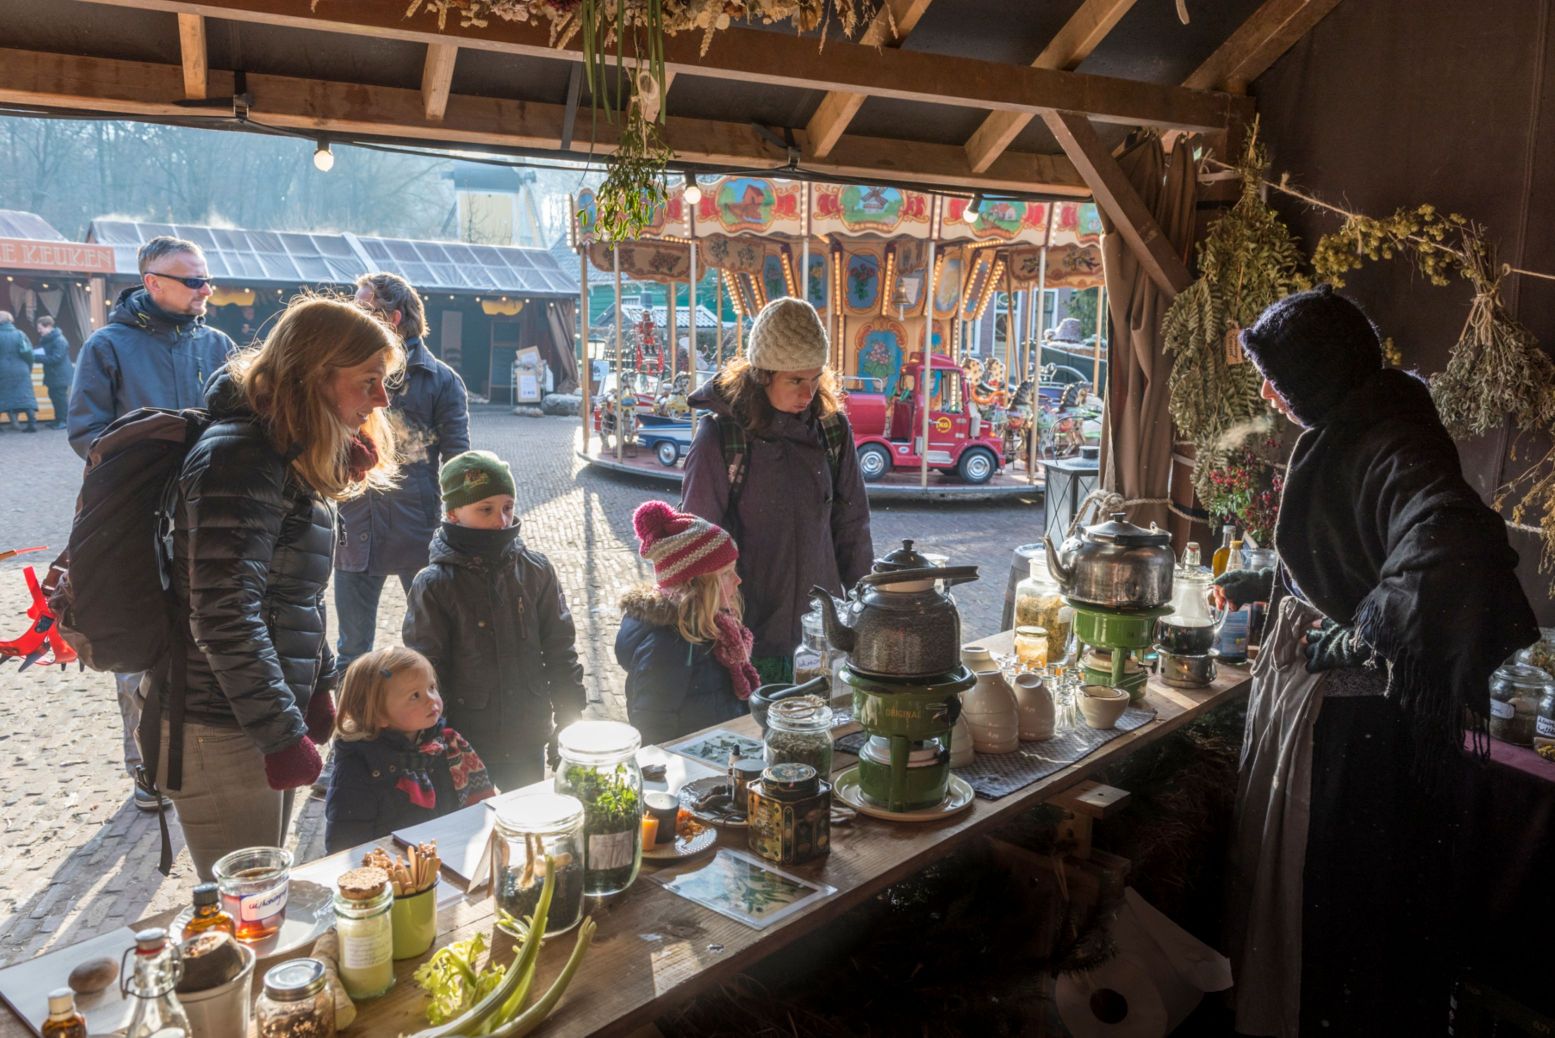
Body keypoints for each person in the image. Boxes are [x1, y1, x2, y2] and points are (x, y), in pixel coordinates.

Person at [1220, 285, 1538, 1037]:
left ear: (1321, 370)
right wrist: (1276, 585)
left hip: (1356, 728)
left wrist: (1366, 630)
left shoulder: (1392, 435)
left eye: (1280, 375)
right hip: (1318, 698)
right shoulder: (1357, 416)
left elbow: (1450, 535)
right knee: (1306, 887)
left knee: (1333, 891)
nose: (1269, 392)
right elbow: (1356, 541)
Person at [147, 294, 403, 879]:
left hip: (253, 719)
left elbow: (291, 596)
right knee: (251, 913)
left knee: (266, 895)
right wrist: (282, 731)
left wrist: (315, 685)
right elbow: (224, 615)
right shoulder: (242, 458)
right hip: (219, 727)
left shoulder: (286, 455)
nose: (381, 400)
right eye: (369, 381)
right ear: (317, 374)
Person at [67, 236, 235, 810]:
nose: (204, 290)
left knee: (210, 632)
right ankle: (145, 767)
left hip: (209, 516)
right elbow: (87, 432)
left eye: (206, 279)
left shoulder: (218, 344)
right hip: (135, 520)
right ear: (153, 282)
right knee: (136, 639)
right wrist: (143, 464)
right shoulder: (107, 347)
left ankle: (202, 754)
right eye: (193, 281)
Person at [681, 297, 873, 681]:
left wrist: (865, 611)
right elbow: (696, 548)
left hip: (822, 638)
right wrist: (719, 633)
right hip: (746, 638)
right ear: (763, 374)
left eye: (816, 377)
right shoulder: (721, 438)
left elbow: (852, 526)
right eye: (795, 380)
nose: (809, 392)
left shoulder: (832, 430)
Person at [403, 450, 586, 792]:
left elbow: (561, 652)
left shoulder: (537, 570)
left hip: (527, 734)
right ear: (454, 514)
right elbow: (426, 673)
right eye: (485, 509)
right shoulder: (433, 584)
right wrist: (434, 738)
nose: (501, 520)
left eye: (508, 507)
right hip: (464, 740)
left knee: (524, 826)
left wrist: (568, 723)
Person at [335, 273, 469, 672]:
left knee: (431, 642)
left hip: (418, 530)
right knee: (351, 651)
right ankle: (352, 730)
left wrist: (462, 528)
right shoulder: (342, 374)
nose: (351, 316)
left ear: (391, 318)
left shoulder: (441, 380)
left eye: (362, 309)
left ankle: (432, 724)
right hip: (355, 526)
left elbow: (458, 462)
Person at [324, 647, 495, 853]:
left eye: (431, 687)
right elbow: (345, 845)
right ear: (378, 714)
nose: (431, 699)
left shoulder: (446, 746)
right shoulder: (358, 767)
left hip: (445, 860)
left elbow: (478, 810)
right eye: (415, 695)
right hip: (391, 874)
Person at [616, 501, 760, 745]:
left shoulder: (716, 628)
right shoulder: (668, 645)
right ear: (696, 585)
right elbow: (652, 732)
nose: (738, 580)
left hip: (717, 759)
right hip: (692, 772)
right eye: (726, 573)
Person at [0, 312, 35, 432]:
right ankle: (32, 424)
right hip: (21, 369)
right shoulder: (20, 334)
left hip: (2, 371)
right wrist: (29, 366)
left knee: (1, 397)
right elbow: (28, 353)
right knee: (25, 396)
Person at [35, 315, 72, 430]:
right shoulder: (50, 340)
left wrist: (35, 357)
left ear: (48, 326)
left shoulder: (59, 340)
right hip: (54, 375)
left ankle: (64, 421)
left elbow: (56, 358)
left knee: (60, 398)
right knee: (55, 397)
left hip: (59, 375)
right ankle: (58, 419)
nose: (39, 331)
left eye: (40, 328)